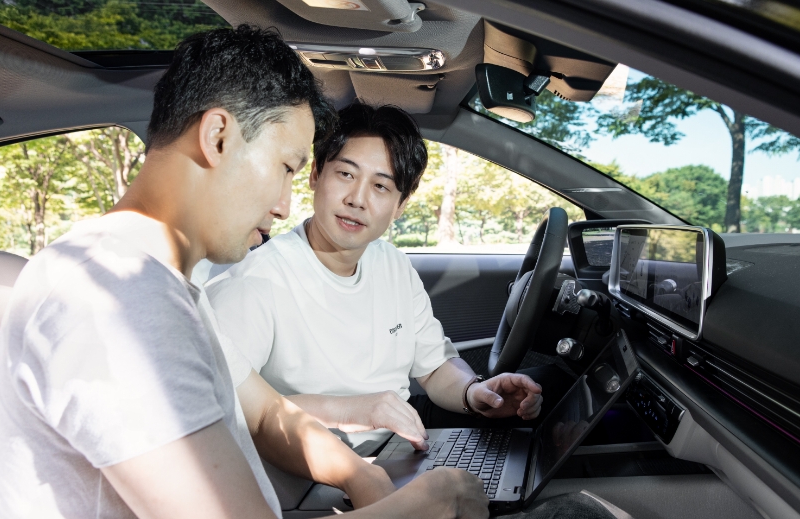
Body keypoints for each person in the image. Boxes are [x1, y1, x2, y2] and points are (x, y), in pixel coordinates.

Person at [0, 26, 487, 519]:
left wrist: (361, 475)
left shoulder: (161, 285)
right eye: (287, 168)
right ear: (218, 137)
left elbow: (267, 413)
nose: (287, 206)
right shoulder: (115, 303)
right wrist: (432, 500)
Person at [207, 102, 574, 451]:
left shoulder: (392, 264)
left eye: (381, 186)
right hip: (316, 464)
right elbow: (226, 407)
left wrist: (474, 394)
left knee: (558, 388)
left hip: (401, 439)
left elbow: (435, 367)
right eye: (346, 174)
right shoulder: (256, 282)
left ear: (400, 206)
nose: (357, 199)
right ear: (316, 175)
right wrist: (353, 410)